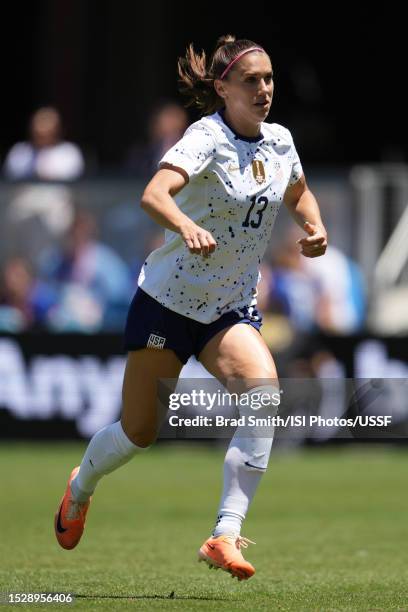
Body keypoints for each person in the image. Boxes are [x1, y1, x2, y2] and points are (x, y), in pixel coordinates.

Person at [54, 35, 327, 581]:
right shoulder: (205, 137)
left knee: (264, 394)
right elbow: (154, 194)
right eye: (251, 80)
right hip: (167, 304)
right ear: (222, 88)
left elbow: (297, 191)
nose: (264, 88)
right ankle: (80, 487)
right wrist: (185, 224)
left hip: (227, 309)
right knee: (138, 433)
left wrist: (314, 225)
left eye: (269, 78)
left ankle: (225, 534)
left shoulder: (279, 142)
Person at [3, 107, 84, 181]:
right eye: (38, 133)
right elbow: (10, 178)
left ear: (57, 130)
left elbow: (71, 178)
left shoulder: (69, 152)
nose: (42, 130)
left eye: (48, 131)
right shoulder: (19, 151)